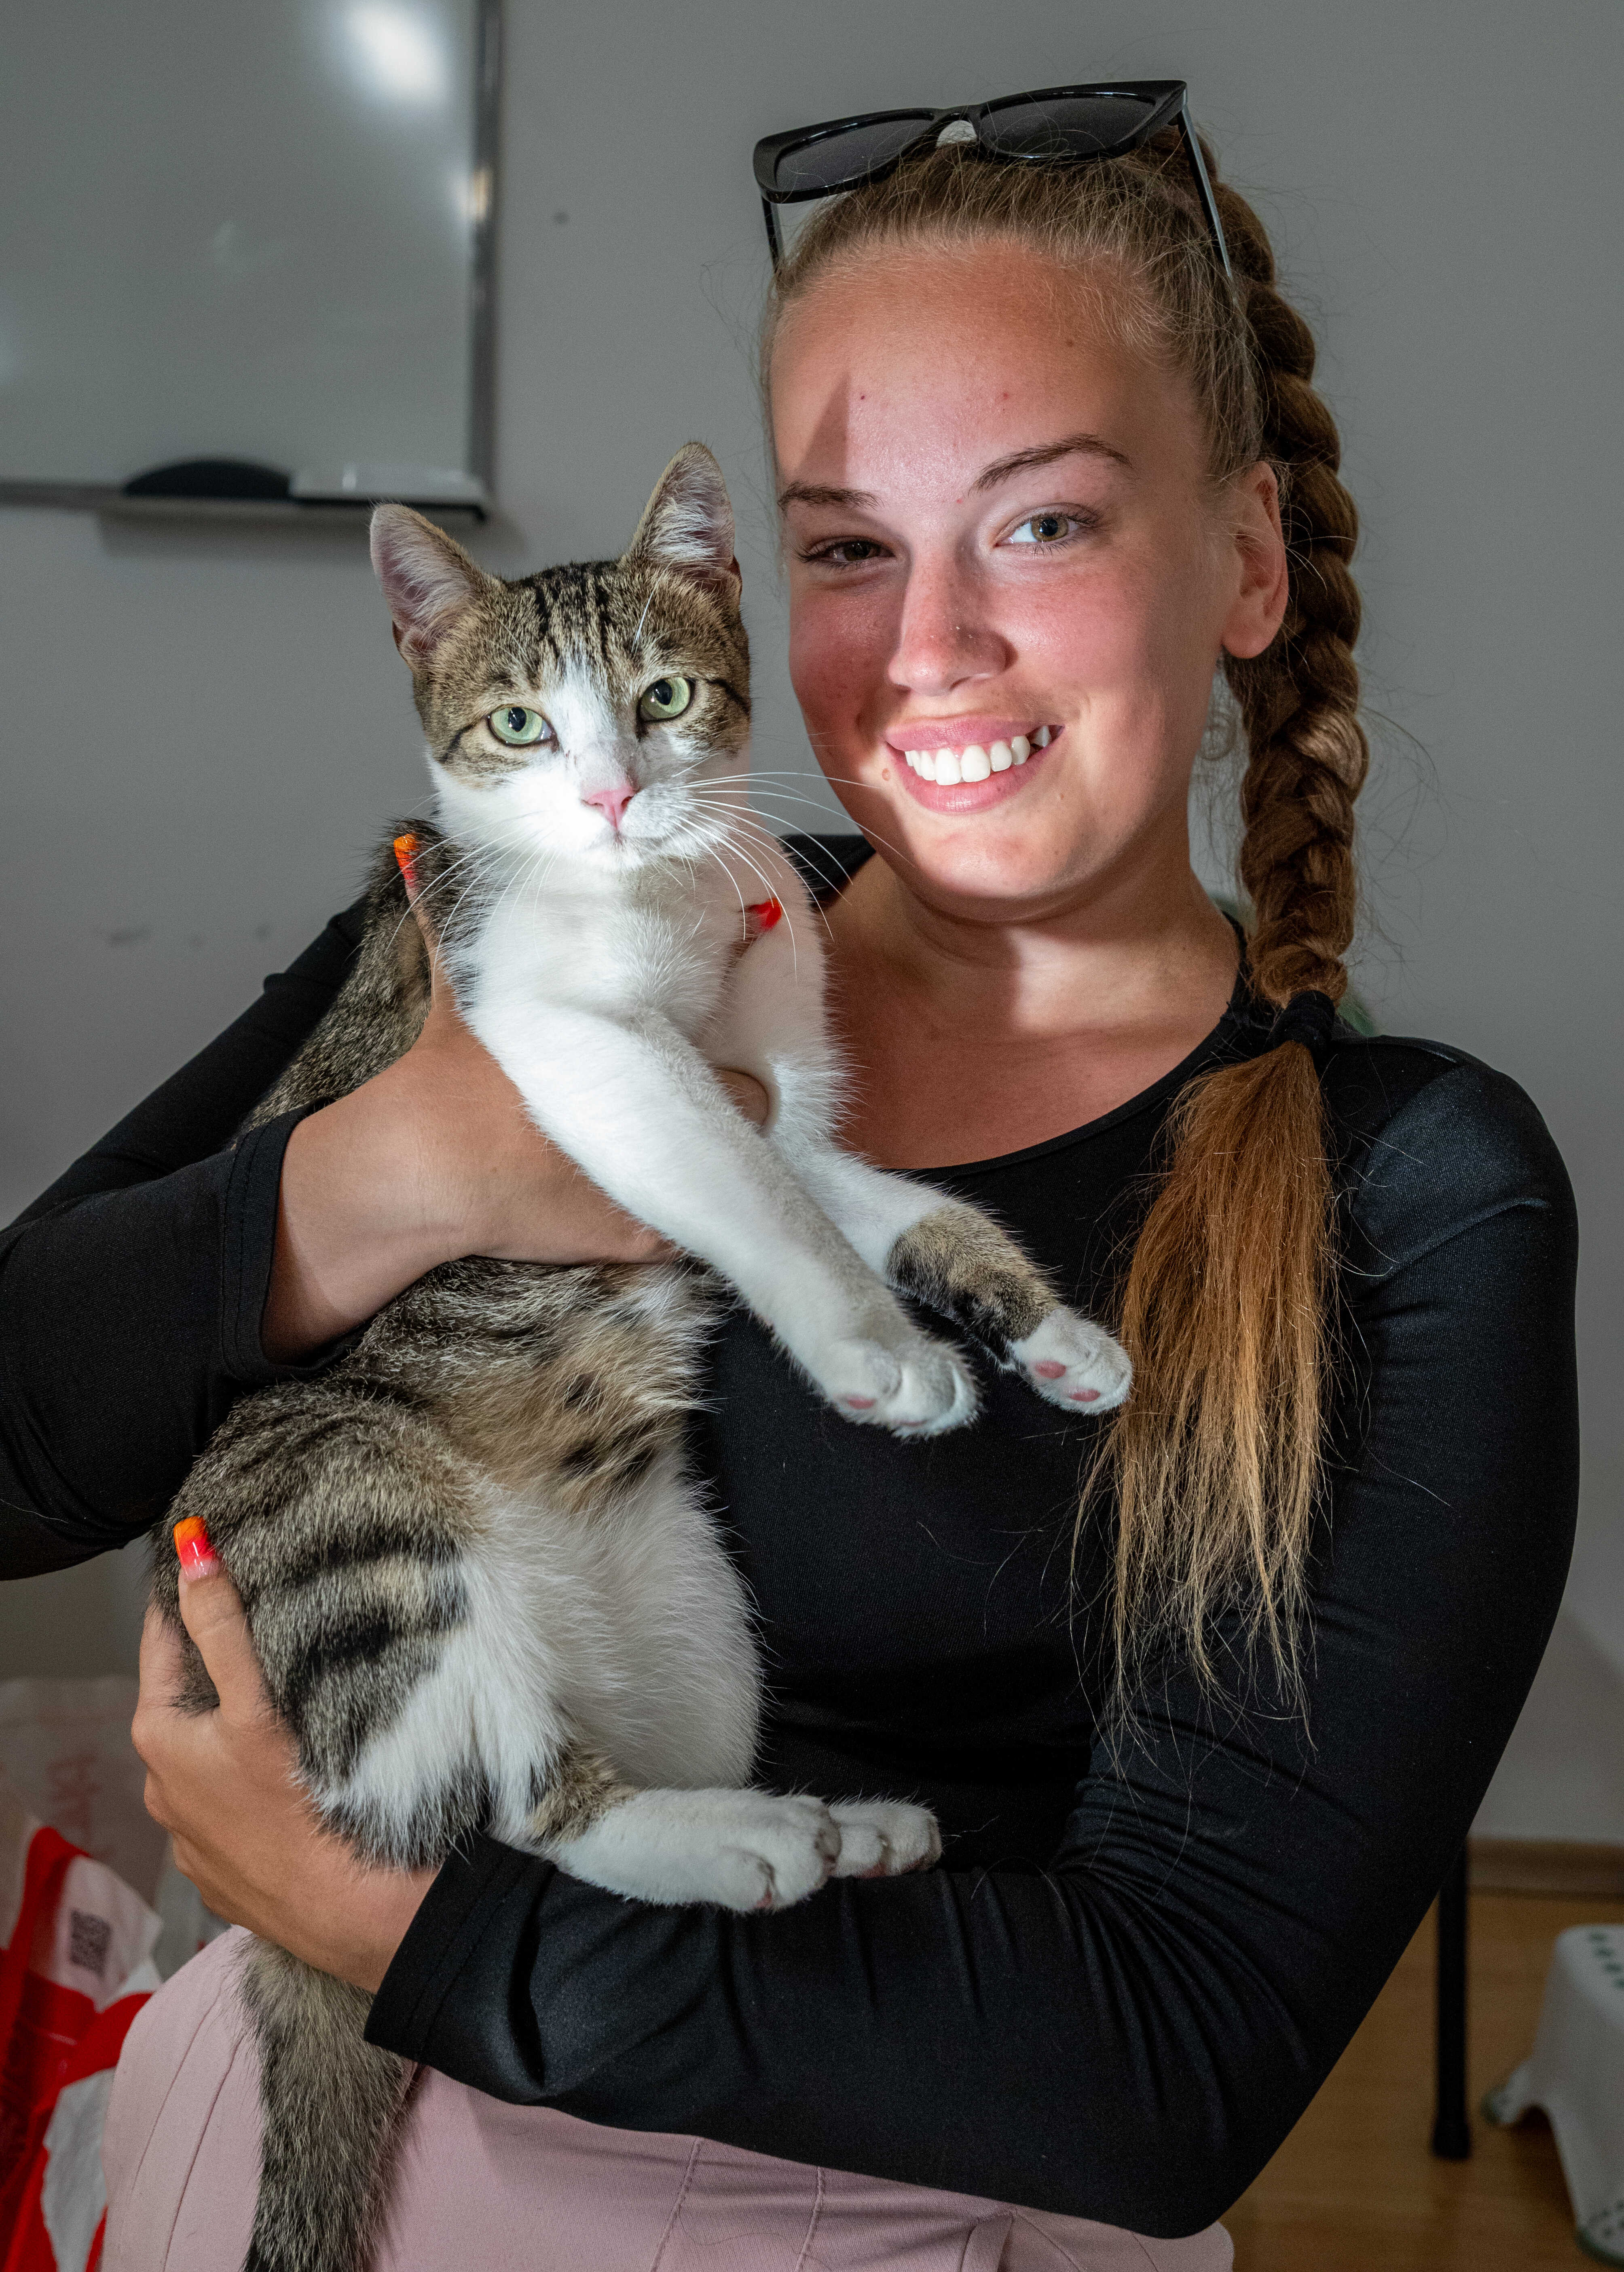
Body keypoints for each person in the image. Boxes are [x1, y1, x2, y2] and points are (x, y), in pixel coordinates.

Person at [0, 109, 1577, 2270]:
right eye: (847, 550)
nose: (929, 643)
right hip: (266, 2157)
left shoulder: (1413, 1190)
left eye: (1041, 524)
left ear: (1245, 560)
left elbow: (1173, 2064)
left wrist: (404, 1925)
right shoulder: (512, 931)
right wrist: (385, 1177)